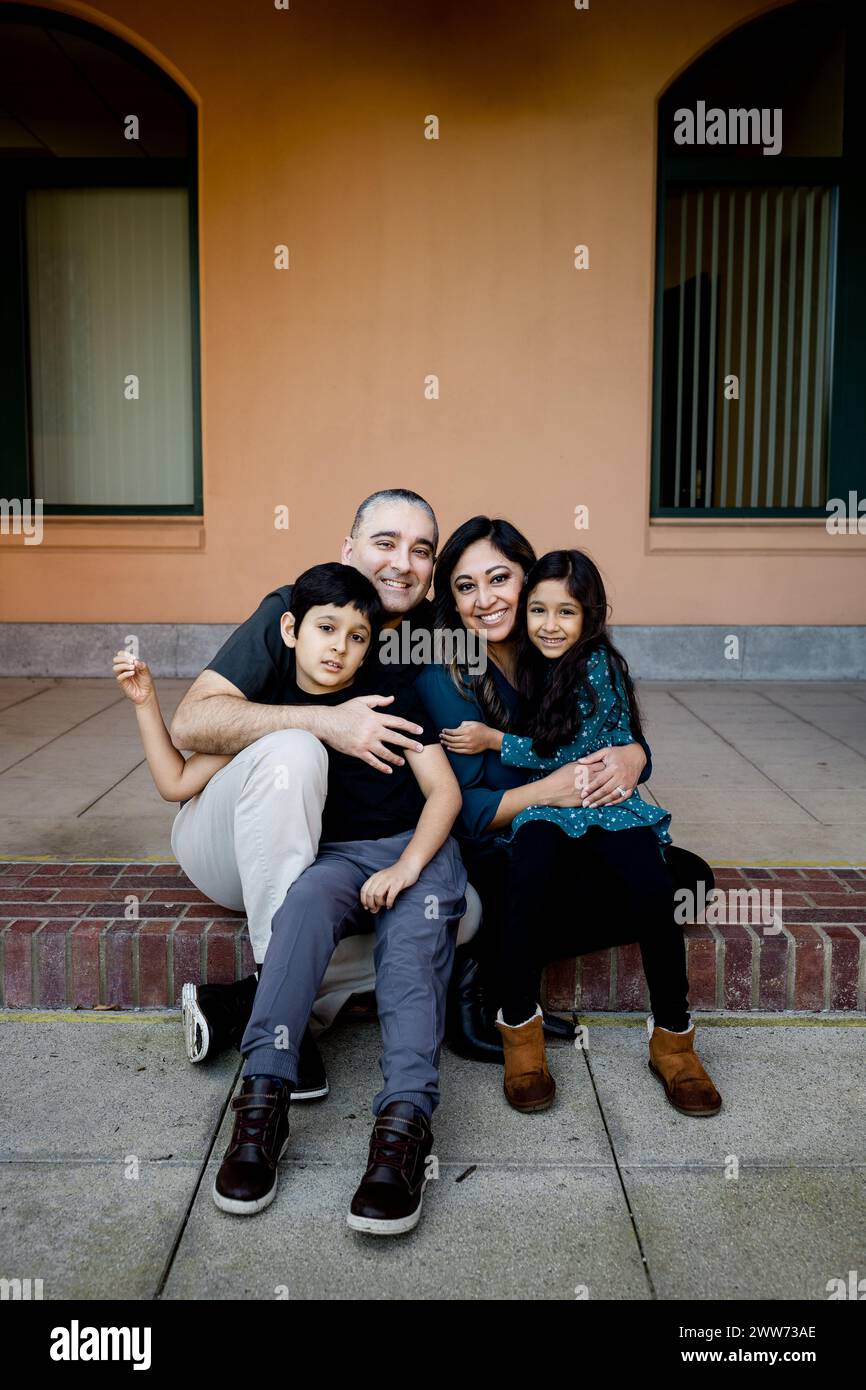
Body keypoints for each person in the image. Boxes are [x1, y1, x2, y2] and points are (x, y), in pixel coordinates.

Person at [165, 489, 480, 1084]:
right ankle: (285, 1023)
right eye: (384, 543)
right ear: (349, 548)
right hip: (232, 840)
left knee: (463, 914)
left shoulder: (426, 634)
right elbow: (191, 722)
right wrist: (322, 720)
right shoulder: (295, 608)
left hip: (336, 856)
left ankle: (256, 999)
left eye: (421, 551)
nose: (402, 563)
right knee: (295, 751)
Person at [207, 563, 467, 1231]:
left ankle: (403, 1129)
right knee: (298, 911)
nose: (340, 648)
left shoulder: (389, 695)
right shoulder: (275, 703)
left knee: (410, 954)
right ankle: (264, 1103)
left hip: (416, 852)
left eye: (358, 635)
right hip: (341, 861)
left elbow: (445, 793)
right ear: (291, 629)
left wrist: (409, 868)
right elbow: (190, 757)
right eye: (327, 629)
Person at [416, 517, 718, 1075]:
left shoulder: (551, 650)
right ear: (450, 599)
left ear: (532, 581)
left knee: (689, 881)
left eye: (500, 579)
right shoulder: (448, 672)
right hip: (497, 849)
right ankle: (492, 983)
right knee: (533, 882)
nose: (484, 600)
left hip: (573, 829)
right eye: (464, 586)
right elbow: (469, 809)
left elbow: (604, 726)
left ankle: (499, 962)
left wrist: (634, 757)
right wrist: (553, 789)